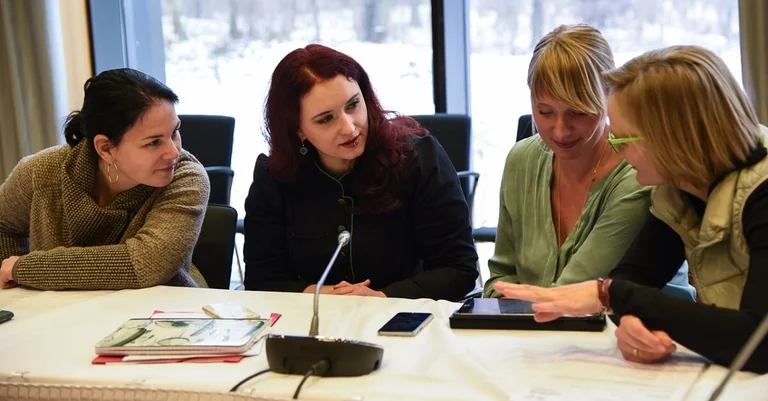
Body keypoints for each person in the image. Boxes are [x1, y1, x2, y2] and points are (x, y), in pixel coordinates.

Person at [494, 46, 768, 373]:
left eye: (624, 141)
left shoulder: (761, 194)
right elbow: (634, 278)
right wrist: (634, 327)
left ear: (674, 139)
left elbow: (758, 341)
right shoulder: (678, 192)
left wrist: (612, 296)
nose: (618, 153)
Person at [243, 44, 478, 301]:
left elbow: (459, 268)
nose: (349, 128)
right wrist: (329, 296)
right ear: (297, 129)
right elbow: (262, 280)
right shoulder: (274, 177)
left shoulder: (419, 158)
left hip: (405, 314)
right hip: (314, 317)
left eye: (353, 104)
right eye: (326, 119)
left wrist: (382, 297)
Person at [484, 24, 662, 296]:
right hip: (540, 321)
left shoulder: (637, 172)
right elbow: (501, 279)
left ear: (608, 97)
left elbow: (571, 295)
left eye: (578, 113)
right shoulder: (522, 160)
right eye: (545, 112)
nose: (560, 131)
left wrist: (513, 309)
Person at [0, 68, 210, 290]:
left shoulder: (186, 177)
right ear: (106, 148)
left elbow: (147, 263)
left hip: (163, 308)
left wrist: (27, 268)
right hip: (59, 309)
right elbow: (3, 224)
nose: (174, 152)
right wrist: (16, 288)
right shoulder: (43, 172)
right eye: (153, 142)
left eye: (174, 132)